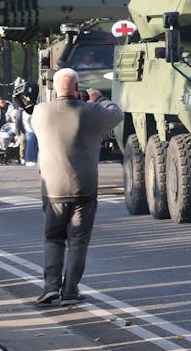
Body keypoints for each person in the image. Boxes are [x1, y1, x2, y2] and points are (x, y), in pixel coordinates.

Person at [32, 67, 123, 306]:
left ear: (53, 89)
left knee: (53, 238)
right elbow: (116, 113)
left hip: (52, 190)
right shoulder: (91, 112)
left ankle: (51, 285)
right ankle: (70, 290)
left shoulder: (41, 112)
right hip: (83, 187)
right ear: (77, 88)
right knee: (78, 241)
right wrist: (97, 99)